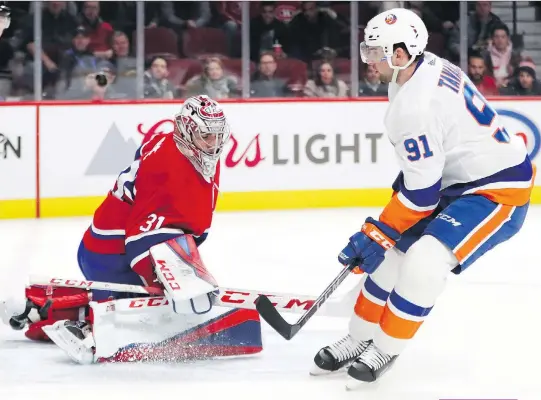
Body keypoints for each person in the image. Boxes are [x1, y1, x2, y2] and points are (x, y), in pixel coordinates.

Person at [310, 8, 533, 389]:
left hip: (497, 190)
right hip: (456, 179)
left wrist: (377, 230)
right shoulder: (422, 64)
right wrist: (384, 234)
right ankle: (358, 337)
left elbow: (422, 195)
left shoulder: (414, 107)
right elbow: (428, 167)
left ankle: (385, 347)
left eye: (375, 52)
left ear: (400, 54)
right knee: (390, 257)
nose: (368, 59)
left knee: (423, 262)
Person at [0, 96, 263, 364]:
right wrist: (154, 279)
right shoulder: (167, 165)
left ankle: (37, 306)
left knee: (124, 300)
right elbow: (140, 233)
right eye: (207, 135)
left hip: (104, 245)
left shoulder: (176, 145)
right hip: (111, 255)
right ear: (186, 129)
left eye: (218, 136)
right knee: (134, 308)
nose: (214, 144)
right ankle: (87, 331)